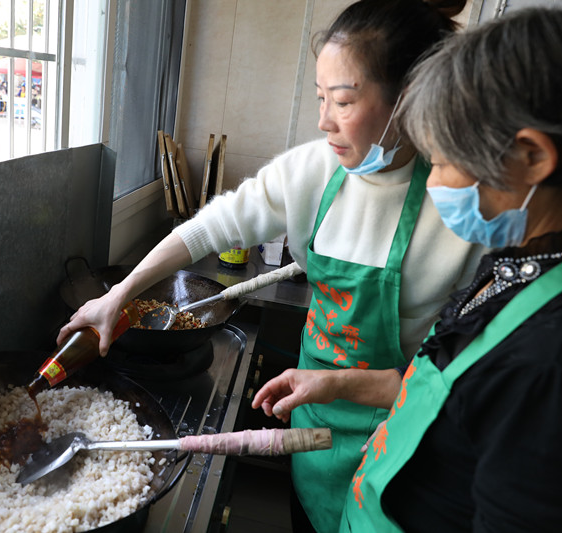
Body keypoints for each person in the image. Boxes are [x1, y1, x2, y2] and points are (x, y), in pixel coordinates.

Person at [59, 1, 483, 531]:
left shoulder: (462, 205)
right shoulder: (314, 170)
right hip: (312, 414)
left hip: (404, 430)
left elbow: (466, 369)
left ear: (412, 97)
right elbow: (210, 227)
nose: (323, 121)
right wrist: (117, 294)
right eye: (321, 98)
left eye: (343, 101)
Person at [253, 7, 562, 532]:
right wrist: (334, 383)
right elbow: (439, 393)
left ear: (531, 157)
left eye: (444, 160)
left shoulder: (552, 354)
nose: (433, 183)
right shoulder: (517, 267)